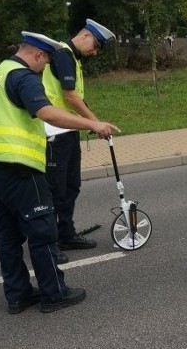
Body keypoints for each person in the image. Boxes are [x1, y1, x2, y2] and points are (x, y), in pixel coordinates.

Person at [0, 31, 120, 314]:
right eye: (46, 61)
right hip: (19, 165)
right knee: (42, 228)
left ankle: (18, 294)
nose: (46, 67)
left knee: (7, 234)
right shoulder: (22, 76)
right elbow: (47, 112)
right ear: (38, 55)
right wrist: (93, 124)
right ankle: (54, 293)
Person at [42, 19, 115, 253]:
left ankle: (66, 234)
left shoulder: (72, 58)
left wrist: (92, 123)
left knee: (71, 186)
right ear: (84, 35)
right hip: (54, 132)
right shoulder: (62, 54)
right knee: (55, 190)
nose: (94, 53)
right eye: (94, 46)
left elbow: (77, 98)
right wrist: (95, 124)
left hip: (69, 129)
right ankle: (50, 245)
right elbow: (70, 97)